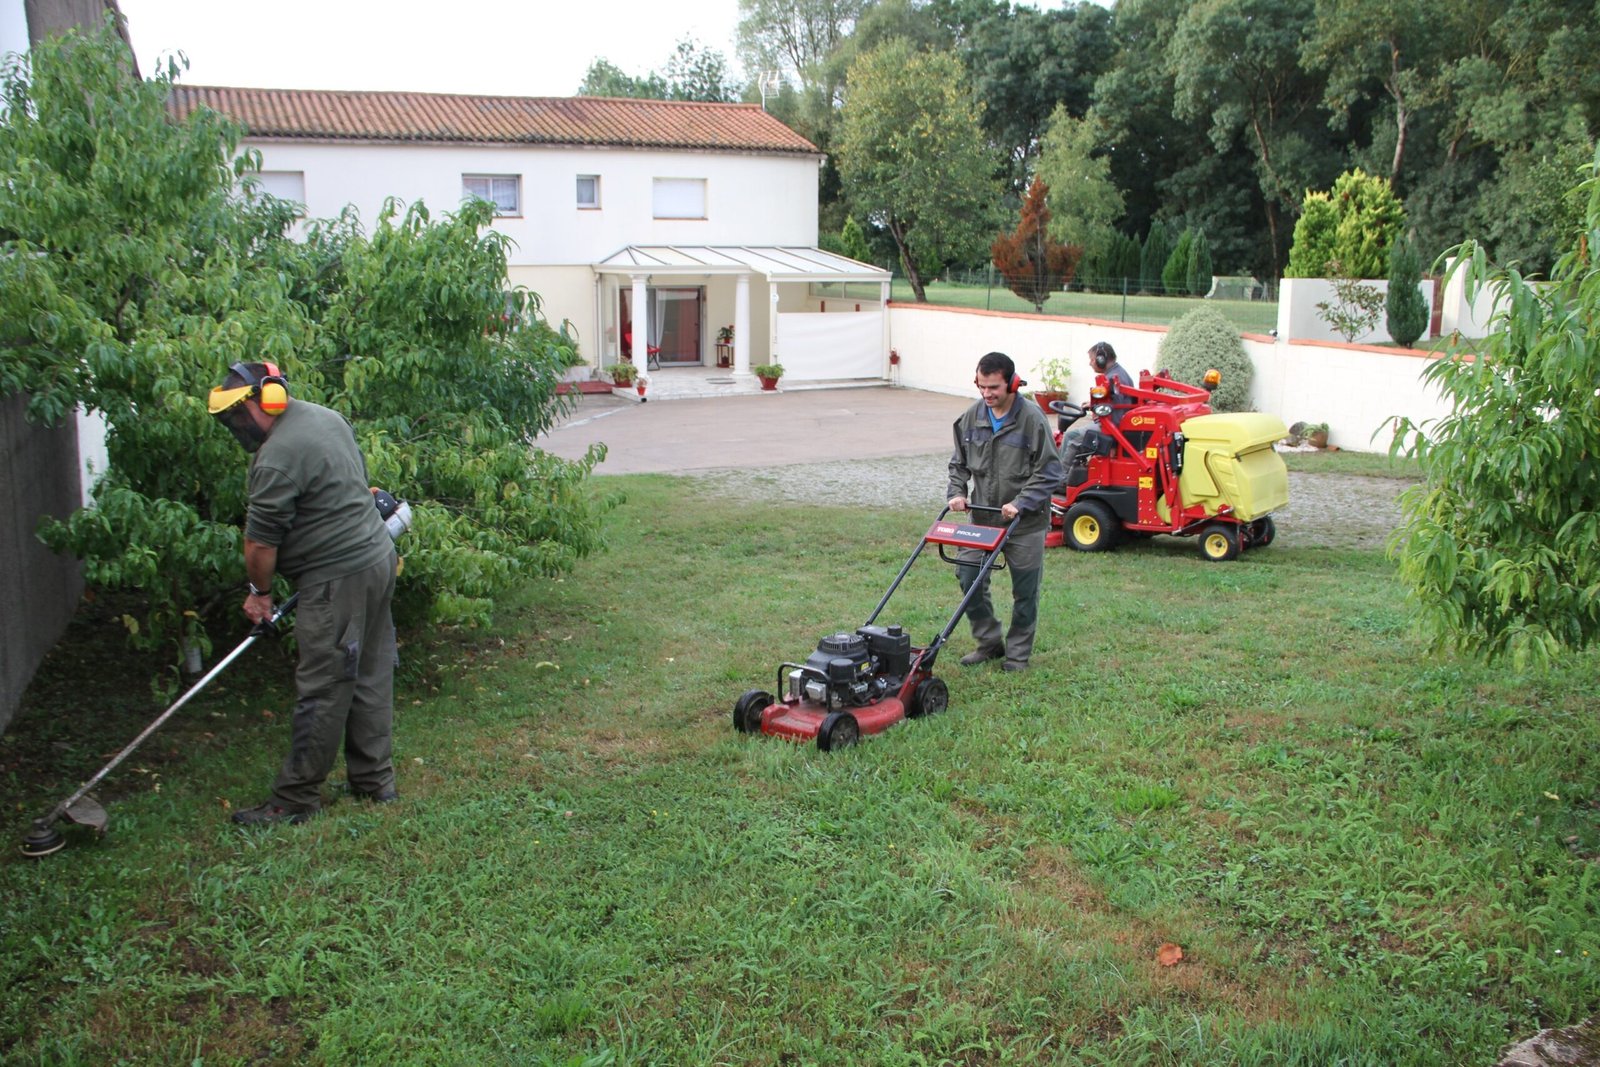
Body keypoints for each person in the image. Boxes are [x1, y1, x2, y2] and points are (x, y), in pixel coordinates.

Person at [207, 361, 399, 825]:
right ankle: (374, 782)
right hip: (377, 558)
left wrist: (260, 593)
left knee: (326, 682)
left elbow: (259, 544)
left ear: (267, 399)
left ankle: (295, 800)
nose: (234, 425)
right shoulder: (325, 418)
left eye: (238, 413)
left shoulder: (276, 458)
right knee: (369, 670)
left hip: (338, 579)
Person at [946, 351, 1065, 673]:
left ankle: (1018, 655)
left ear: (1012, 384)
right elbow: (958, 464)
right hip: (983, 519)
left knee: (1024, 590)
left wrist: (1021, 502)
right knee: (968, 577)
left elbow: (1051, 472)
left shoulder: (1032, 420)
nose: (987, 394)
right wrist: (957, 492)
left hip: (1025, 523)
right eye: (982, 386)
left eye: (994, 387)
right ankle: (989, 642)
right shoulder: (971, 418)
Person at [1060, 341, 1136, 485]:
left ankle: (1059, 480)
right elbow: (1114, 403)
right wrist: (1093, 404)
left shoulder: (1111, 379)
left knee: (1071, 436)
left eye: (1092, 359)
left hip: (1113, 428)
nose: (1090, 363)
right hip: (1117, 425)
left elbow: (1112, 411)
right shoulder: (1119, 373)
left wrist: (1095, 408)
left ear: (1102, 359)